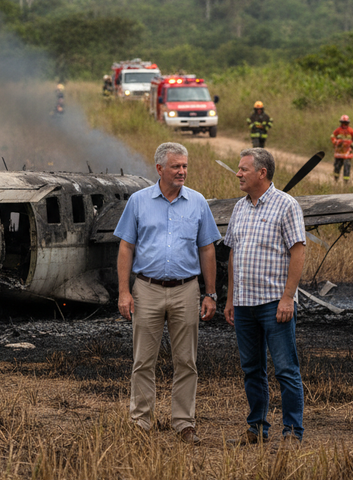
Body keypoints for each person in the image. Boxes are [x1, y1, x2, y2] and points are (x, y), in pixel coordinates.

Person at [114, 142, 222, 445]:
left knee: (186, 361)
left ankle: (184, 423)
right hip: (146, 288)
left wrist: (210, 293)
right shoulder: (138, 202)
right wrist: (124, 291)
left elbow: (207, 248)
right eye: (176, 166)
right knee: (143, 360)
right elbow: (126, 247)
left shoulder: (198, 202)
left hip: (186, 290)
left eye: (185, 166)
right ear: (159, 168)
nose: (182, 171)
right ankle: (140, 422)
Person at [223, 148, 306, 446]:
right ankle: (257, 427)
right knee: (252, 370)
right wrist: (230, 298)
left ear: (262, 172)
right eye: (238, 168)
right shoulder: (240, 207)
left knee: (285, 369)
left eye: (243, 169)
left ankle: (293, 432)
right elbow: (233, 254)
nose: (238, 173)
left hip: (274, 303)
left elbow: (298, 250)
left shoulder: (286, 205)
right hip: (244, 304)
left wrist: (288, 298)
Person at [331, 115, 353, 182]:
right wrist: (335, 142)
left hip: (347, 153)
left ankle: (346, 182)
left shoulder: (351, 130)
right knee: (337, 167)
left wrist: (352, 145)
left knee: (347, 167)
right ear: (341, 123)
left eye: (346, 123)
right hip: (339, 152)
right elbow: (332, 136)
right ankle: (336, 180)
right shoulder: (338, 130)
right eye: (343, 123)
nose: (344, 124)